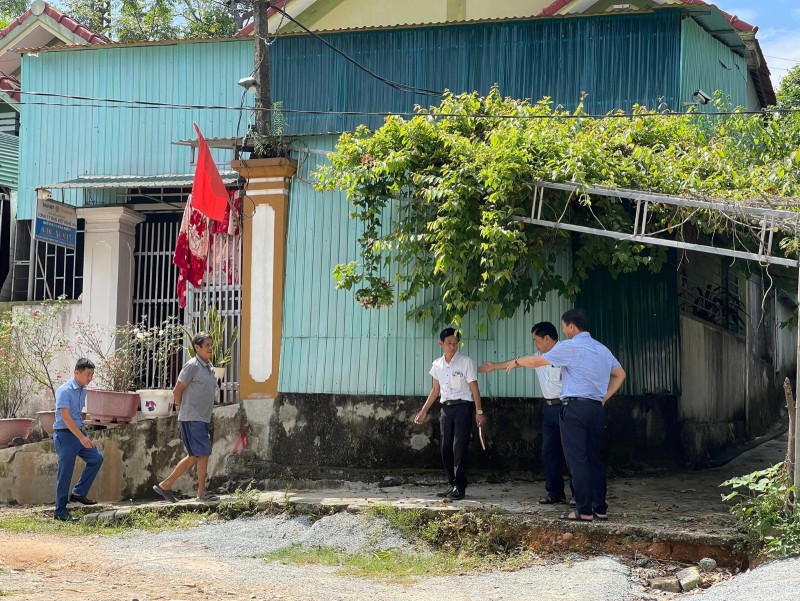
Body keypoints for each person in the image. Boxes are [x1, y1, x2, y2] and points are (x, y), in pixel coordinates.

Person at [480, 309, 625, 522]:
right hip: (595, 409)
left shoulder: (569, 346)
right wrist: (603, 398)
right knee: (594, 458)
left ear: (572, 326)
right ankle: (599, 508)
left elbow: (538, 362)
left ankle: (583, 510)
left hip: (574, 409)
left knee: (577, 460)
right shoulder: (602, 349)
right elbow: (620, 374)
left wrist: (518, 361)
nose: (564, 330)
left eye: (565, 326)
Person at [478, 321, 571, 505]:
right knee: (549, 452)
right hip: (549, 408)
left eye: (536, 340)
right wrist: (494, 366)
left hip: (567, 407)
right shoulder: (539, 355)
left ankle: (579, 494)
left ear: (547, 338)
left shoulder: (565, 353)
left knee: (571, 452)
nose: (535, 345)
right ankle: (555, 492)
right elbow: (519, 362)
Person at [414, 327, 486, 500]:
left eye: (455, 343)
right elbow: (435, 389)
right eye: (449, 343)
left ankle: (460, 487)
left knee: (459, 447)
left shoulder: (465, 362)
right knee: (445, 447)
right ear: (441, 344)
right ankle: (452, 483)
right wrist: (423, 411)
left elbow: (474, 387)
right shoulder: (437, 364)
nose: (452, 346)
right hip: (446, 408)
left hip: (463, 407)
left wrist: (479, 411)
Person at [153, 332, 220, 504]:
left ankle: (199, 491)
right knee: (198, 454)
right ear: (197, 348)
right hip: (191, 418)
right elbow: (177, 390)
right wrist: (182, 409)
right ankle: (167, 484)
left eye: (211, 344)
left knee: (200, 454)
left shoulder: (209, 367)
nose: (210, 348)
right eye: (207, 345)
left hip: (203, 418)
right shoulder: (192, 366)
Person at [53, 358, 103, 521]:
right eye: (88, 374)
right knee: (65, 472)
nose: (90, 378)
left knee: (96, 458)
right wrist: (81, 437)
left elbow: (78, 414)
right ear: (76, 373)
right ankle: (60, 512)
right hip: (64, 434)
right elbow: (66, 417)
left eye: (92, 374)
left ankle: (78, 493)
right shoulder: (64, 390)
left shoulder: (83, 390)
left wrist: (83, 432)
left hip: (78, 433)